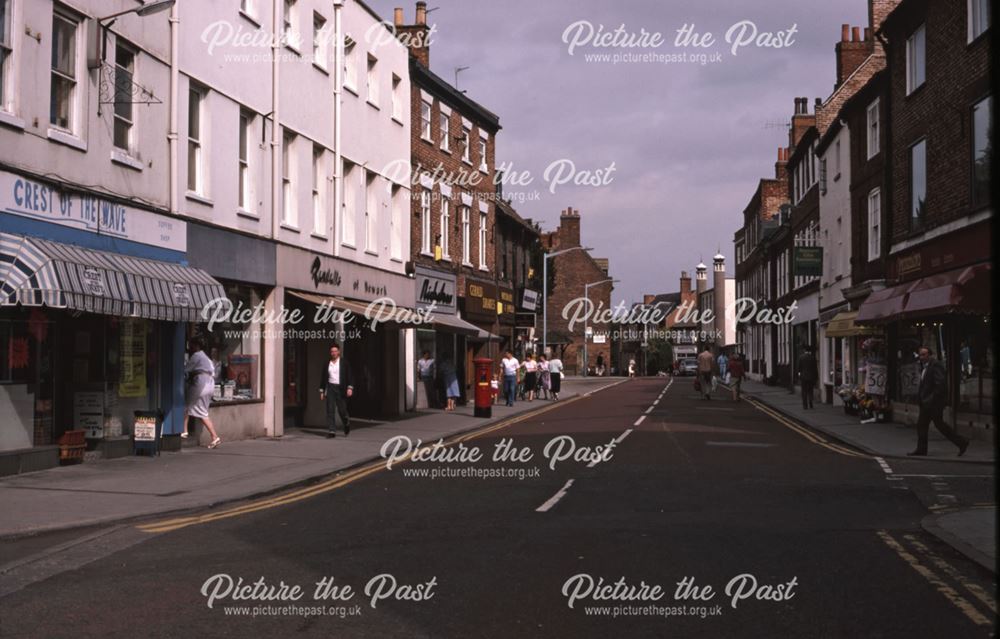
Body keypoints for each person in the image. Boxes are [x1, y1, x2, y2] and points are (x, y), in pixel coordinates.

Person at [909, 347, 969, 457]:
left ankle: (962, 442)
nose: (921, 357)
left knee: (937, 425)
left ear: (930, 355)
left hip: (933, 404)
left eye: (924, 354)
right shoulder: (925, 367)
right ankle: (922, 449)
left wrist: (929, 400)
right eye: (920, 355)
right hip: (927, 403)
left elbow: (940, 384)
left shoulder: (935, 365)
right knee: (925, 425)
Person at [181, 338, 222, 448]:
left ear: (196, 346)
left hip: (201, 382)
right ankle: (214, 436)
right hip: (210, 383)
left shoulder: (196, 356)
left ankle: (184, 431)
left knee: (186, 406)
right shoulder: (206, 358)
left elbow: (185, 369)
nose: (190, 348)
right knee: (202, 411)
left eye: (191, 345)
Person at [319, 343, 353, 438]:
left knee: (342, 410)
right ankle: (332, 431)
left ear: (338, 352)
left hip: (341, 388)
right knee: (330, 409)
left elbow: (349, 375)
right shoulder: (327, 363)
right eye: (332, 351)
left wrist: (350, 388)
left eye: (335, 351)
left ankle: (346, 422)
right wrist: (322, 391)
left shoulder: (344, 363)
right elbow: (323, 377)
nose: (333, 353)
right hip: (330, 388)